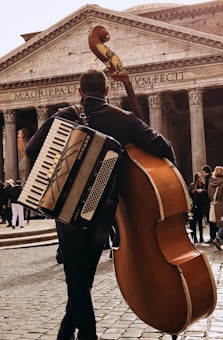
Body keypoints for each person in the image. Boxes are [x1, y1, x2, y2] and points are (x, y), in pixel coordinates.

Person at [26, 69, 176, 340]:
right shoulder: (125, 120)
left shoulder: (65, 116)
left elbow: (32, 148)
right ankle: (68, 330)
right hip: (103, 210)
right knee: (86, 273)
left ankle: (86, 334)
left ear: (80, 92)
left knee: (76, 276)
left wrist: (59, 159)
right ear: (107, 92)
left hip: (67, 208)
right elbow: (165, 149)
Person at [208, 166, 223, 251]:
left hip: (214, 205)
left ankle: (219, 240)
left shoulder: (210, 183)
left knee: (219, 224)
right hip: (222, 205)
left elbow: (209, 195)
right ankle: (218, 239)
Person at [201, 165, 217, 243]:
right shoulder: (210, 179)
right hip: (210, 203)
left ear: (205, 171)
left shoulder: (209, 179)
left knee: (212, 220)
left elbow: (209, 191)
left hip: (209, 203)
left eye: (203, 172)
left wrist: (202, 191)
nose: (202, 174)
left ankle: (213, 236)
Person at [188, 172, 205, 243]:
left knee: (200, 222)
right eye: (199, 177)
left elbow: (205, 195)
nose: (200, 178)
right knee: (193, 223)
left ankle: (201, 236)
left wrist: (202, 192)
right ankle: (194, 237)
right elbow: (189, 195)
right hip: (194, 207)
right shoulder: (192, 186)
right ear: (196, 178)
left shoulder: (203, 185)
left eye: (201, 177)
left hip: (201, 206)